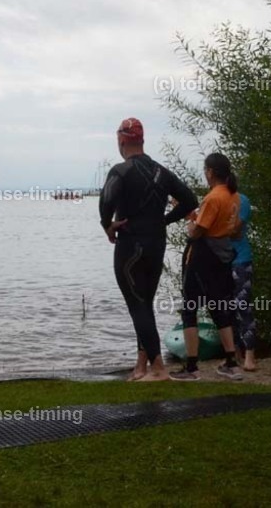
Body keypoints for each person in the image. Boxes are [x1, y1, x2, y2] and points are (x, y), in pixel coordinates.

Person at [100, 117, 198, 382]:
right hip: (156, 244)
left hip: (130, 245)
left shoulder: (120, 171)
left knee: (137, 306)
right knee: (144, 305)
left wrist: (107, 225)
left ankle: (158, 368)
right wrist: (163, 220)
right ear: (141, 141)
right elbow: (190, 200)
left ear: (121, 141)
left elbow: (106, 201)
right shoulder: (162, 172)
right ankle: (141, 365)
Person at [170, 153, 244, 381]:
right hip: (222, 257)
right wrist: (190, 214)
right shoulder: (234, 196)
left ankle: (192, 367)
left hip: (201, 258)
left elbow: (198, 231)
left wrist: (190, 223)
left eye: (205, 170)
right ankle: (231, 362)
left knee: (189, 309)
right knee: (219, 307)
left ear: (210, 172)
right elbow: (224, 226)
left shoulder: (213, 197)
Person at [232, 192, 258, 371]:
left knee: (243, 306)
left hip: (240, 260)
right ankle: (234, 353)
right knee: (224, 309)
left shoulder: (242, 200)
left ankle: (250, 355)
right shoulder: (213, 198)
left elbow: (236, 230)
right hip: (220, 260)